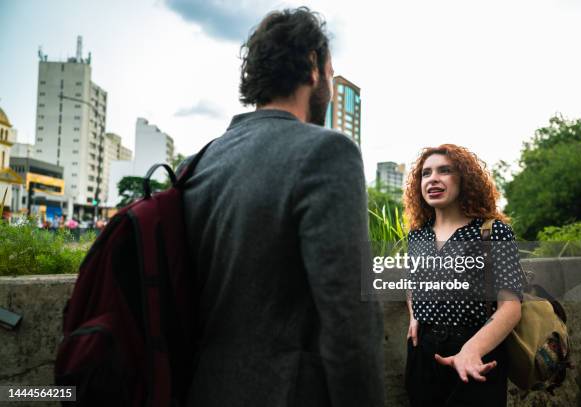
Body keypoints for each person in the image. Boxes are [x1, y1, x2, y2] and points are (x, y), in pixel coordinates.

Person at [182, 7, 384, 407]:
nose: (328, 80)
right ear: (313, 66)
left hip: (203, 390)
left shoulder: (198, 163)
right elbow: (350, 323)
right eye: (330, 70)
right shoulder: (327, 152)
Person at [403, 144, 524, 407]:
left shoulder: (493, 233)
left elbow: (511, 306)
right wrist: (415, 315)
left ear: (465, 180)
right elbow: (413, 285)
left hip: (476, 349)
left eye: (445, 171)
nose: (433, 178)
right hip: (422, 352)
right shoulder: (417, 236)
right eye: (426, 173)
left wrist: (471, 351)